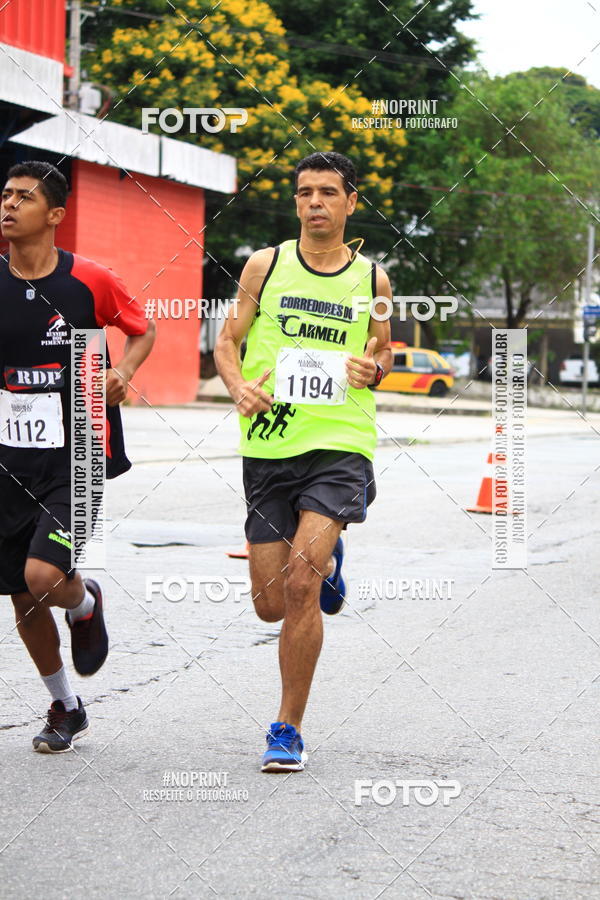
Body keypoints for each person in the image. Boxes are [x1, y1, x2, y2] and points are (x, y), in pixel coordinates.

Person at [215, 151, 392, 772]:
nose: (314, 202)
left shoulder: (373, 280)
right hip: (269, 444)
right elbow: (226, 340)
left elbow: (383, 355)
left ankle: (287, 728)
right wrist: (238, 387)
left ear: (350, 203)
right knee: (269, 600)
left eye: (327, 192)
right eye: (304, 192)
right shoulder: (265, 266)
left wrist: (375, 368)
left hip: (341, 441)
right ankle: (326, 559)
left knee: (299, 582)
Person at [0, 161, 156, 752]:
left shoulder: (89, 280)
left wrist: (122, 371)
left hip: (80, 452)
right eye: (5, 196)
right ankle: (65, 704)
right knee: (21, 593)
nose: (9, 205)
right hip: (8, 458)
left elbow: (142, 330)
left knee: (43, 577)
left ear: (56, 215)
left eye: (24, 198)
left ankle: (86, 601)